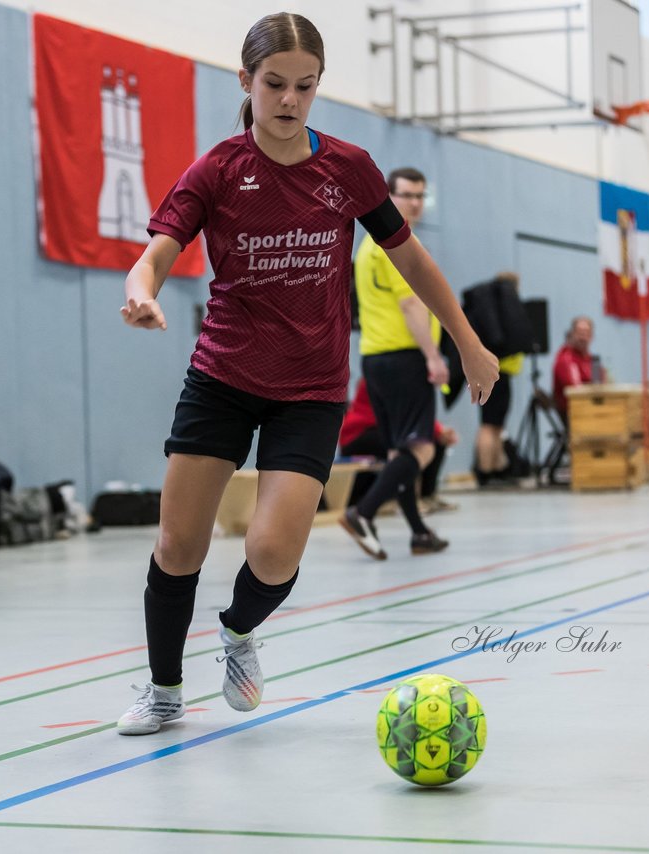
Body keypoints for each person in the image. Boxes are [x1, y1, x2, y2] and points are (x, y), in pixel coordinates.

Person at [116, 13, 498, 735]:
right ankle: (165, 690)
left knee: (272, 548)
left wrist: (469, 341)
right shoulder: (219, 169)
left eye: (305, 86)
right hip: (223, 376)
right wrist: (142, 293)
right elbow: (159, 252)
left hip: (311, 387)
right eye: (274, 85)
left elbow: (410, 259)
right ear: (246, 82)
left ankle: (237, 633)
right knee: (179, 546)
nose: (289, 100)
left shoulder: (348, 168)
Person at [344, 166, 451, 558]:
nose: (415, 203)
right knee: (422, 448)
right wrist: (433, 356)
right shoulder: (397, 245)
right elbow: (411, 305)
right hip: (405, 359)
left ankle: (418, 532)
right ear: (389, 197)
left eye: (421, 196)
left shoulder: (369, 246)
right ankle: (363, 512)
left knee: (397, 452)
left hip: (375, 359)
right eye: (407, 195)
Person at [338, 379, 460, 513]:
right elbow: (399, 410)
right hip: (359, 433)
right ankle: (405, 505)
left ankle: (427, 495)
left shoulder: (406, 373)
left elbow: (416, 411)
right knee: (410, 449)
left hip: (385, 428)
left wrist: (439, 431)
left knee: (435, 440)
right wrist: (438, 430)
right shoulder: (387, 371)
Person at [471, 272, 525, 486]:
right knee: (489, 423)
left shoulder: (496, 309)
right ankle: (485, 471)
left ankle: (494, 467)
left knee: (496, 425)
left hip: (502, 372)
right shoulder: (500, 308)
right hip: (496, 372)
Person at [552, 316, 596, 421]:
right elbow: (576, 390)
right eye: (580, 333)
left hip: (589, 409)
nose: (583, 337)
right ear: (572, 334)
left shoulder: (591, 359)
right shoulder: (566, 359)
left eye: (587, 333)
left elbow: (601, 384)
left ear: (592, 336)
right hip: (575, 413)